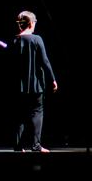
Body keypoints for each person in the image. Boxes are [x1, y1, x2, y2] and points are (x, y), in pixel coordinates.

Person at [8, 10, 58, 153]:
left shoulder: (15, 40)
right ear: (31, 23)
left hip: (18, 86)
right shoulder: (37, 39)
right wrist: (53, 79)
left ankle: (18, 145)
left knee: (19, 115)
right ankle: (36, 145)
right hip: (36, 85)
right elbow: (45, 61)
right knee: (37, 112)